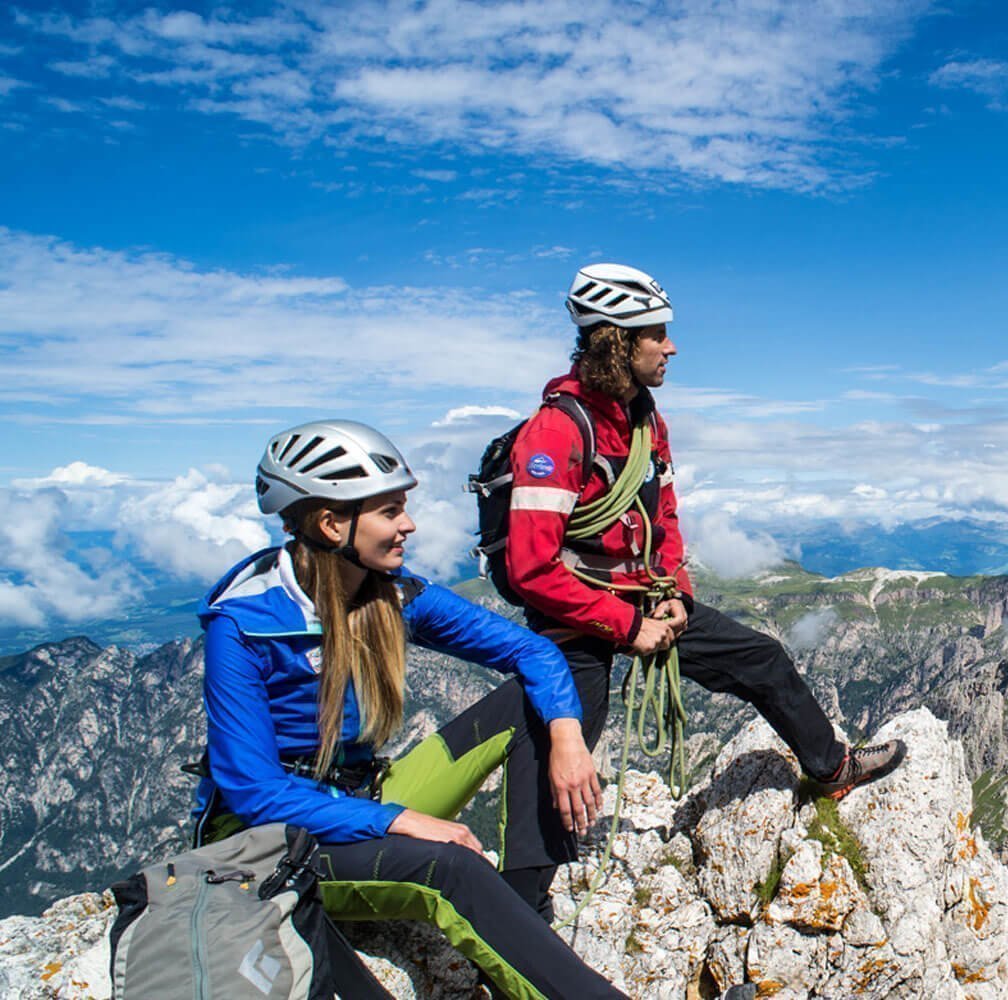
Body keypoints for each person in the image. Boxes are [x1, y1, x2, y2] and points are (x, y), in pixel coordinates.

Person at [500, 262, 905, 909]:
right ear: (617, 342)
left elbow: (664, 518)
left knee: (762, 659)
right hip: (574, 619)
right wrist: (629, 627)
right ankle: (514, 921)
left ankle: (830, 768)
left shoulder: (643, 418)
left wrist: (675, 595)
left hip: (644, 599)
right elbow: (531, 569)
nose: (672, 346)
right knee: (559, 783)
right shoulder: (555, 431)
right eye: (656, 333)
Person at [195, 419, 625, 999]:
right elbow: (254, 793)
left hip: (361, 796)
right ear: (331, 523)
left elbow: (534, 651)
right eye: (390, 511)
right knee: (448, 869)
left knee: (541, 698)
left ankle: (521, 908)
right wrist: (401, 821)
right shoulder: (245, 623)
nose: (409, 524)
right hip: (277, 839)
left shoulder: (390, 594)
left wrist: (567, 737)